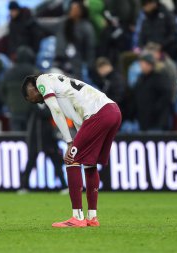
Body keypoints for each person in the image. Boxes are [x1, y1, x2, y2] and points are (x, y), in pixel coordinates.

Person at [21, 73, 121, 227]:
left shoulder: (42, 80)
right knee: (89, 163)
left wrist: (69, 142)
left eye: (29, 95)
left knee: (71, 159)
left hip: (99, 114)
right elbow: (79, 120)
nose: (31, 100)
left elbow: (56, 111)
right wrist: (77, 143)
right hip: (113, 111)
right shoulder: (59, 84)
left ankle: (77, 217)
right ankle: (92, 218)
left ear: (33, 87)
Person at [20, 104, 68, 192]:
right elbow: (26, 118)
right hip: (35, 140)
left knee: (56, 163)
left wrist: (40, 108)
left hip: (49, 140)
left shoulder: (49, 105)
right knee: (30, 163)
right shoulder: (32, 107)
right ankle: (24, 187)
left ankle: (64, 187)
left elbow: (47, 114)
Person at [0, 46, 39, 131]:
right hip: (31, 111)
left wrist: (9, 103)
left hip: (14, 110)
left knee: (17, 137)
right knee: (30, 138)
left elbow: (1, 91)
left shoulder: (9, 73)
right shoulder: (35, 72)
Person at [134, 53, 173, 130]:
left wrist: (155, 109)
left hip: (157, 120)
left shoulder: (160, 77)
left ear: (149, 64)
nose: (140, 66)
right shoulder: (141, 78)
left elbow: (166, 95)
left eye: (142, 64)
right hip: (143, 120)